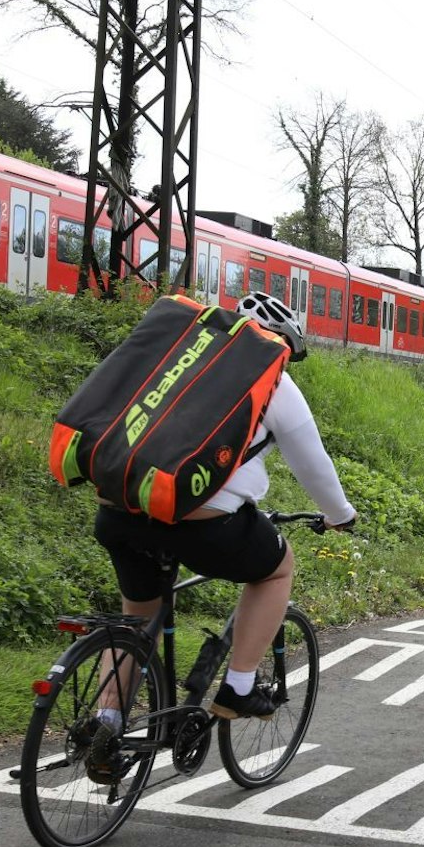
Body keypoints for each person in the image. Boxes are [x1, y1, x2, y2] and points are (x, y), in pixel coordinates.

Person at [86, 291, 356, 777]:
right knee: (276, 570)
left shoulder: (173, 357)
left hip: (119, 510)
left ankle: (105, 722)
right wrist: (340, 514)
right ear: (283, 345)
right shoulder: (272, 379)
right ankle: (240, 685)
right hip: (202, 525)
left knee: (136, 621)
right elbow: (313, 465)